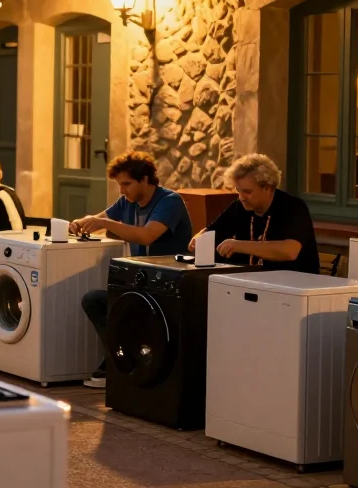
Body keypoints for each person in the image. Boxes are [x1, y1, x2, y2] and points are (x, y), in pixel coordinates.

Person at [71, 151, 193, 389]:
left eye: (126, 184)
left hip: (169, 285)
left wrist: (106, 224)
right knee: (94, 300)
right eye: (119, 185)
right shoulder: (126, 202)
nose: (122, 191)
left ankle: (118, 365)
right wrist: (80, 223)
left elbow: (148, 235)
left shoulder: (169, 201)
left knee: (126, 310)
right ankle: (120, 361)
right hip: (140, 281)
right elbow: (100, 220)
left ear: (145, 179)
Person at [198, 153, 320, 274]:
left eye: (247, 191)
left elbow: (290, 251)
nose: (241, 197)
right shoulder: (240, 206)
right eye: (238, 191)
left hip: (293, 284)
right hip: (252, 282)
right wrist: (200, 239)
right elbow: (212, 231)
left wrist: (238, 245)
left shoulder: (293, 207)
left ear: (267, 187)